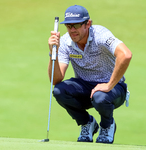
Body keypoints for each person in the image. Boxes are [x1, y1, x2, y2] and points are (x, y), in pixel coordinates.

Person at [48, 5, 132, 144]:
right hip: (85, 88)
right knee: (59, 91)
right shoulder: (64, 42)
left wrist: (108, 85)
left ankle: (107, 125)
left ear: (88, 23)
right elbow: (56, 79)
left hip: (113, 89)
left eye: (76, 25)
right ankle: (87, 123)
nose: (72, 30)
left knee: (100, 97)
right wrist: (53, 52)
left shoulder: (101, 35)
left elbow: (126, 55)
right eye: (68, 26)